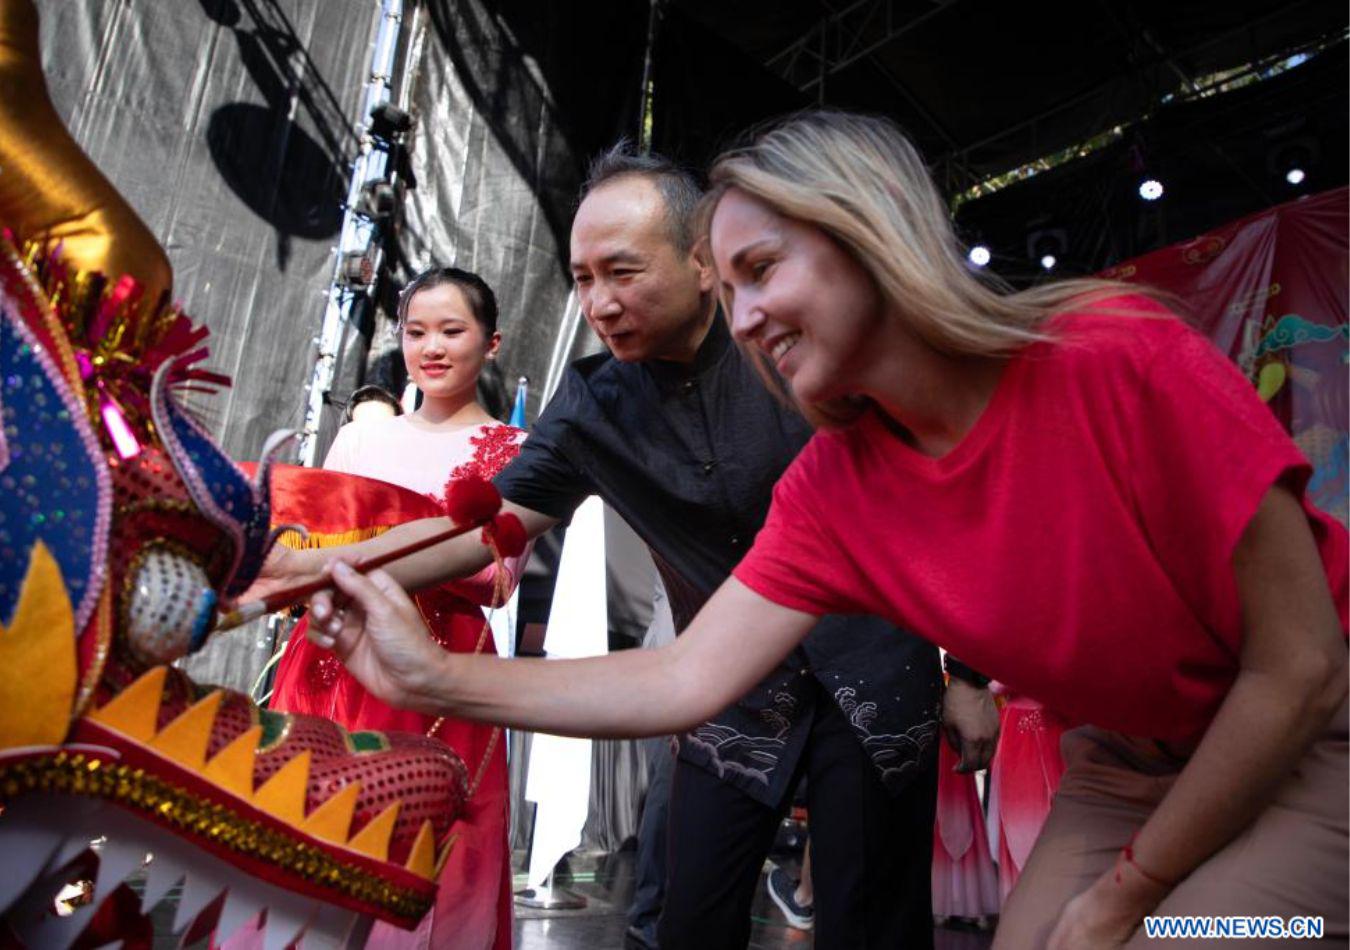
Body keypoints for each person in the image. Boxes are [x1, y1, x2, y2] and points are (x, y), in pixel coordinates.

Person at [275, 110, 1350, 948]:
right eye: (582, 279)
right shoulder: (832, 486)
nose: (745, 315)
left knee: (1191, 934)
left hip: (1313, 723)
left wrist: (1129, 894)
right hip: (1119, 758)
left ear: (864, 231)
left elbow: (1300, 668)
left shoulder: (1115, 354)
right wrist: (418, 667)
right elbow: (679, 677)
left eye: (759, 271)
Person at [251, 145, 999, 950]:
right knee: (686, 918)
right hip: (725, 691)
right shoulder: (592, 404)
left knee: (874, 924)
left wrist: (970, 674)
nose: (600, 303)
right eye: (582, 279)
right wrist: (318, 567)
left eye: (623, 272)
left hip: (876, 673)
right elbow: (481, 526)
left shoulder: (796, 351)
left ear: (704, 262)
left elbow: (941, 506)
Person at [268, 266, 528, 950]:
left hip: (443, 664)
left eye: (452, 331)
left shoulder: (513, 451)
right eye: (416, 332)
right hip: (331, 659)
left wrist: (399, 558)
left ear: (492, 343)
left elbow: (501, 580)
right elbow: (307, 539)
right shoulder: (361, 437)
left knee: (431, 843)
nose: (432, 347)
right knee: (311, 820)